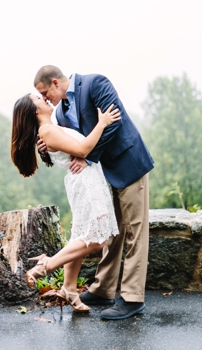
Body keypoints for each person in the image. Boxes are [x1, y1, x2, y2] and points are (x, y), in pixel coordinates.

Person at [33, 65, 155, 321]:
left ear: (55, 82)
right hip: (102, 177)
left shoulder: (95, 83)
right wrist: (45, 146)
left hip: (128, 164)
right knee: (112, 232)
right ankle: (103, 290)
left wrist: (90, 158)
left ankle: (132, 298)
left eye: (45, 93)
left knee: (135, 231)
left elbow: (113, 121)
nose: (46, 99)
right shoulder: (62, 112)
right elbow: (71, 142)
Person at [11, 94, 121, 312]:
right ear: (34, 110)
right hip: (86, 183)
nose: (45, 99)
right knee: (97, 239)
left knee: (81, 236)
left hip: (87, 180)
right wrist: (102, 123)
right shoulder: (47, 131)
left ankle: (69, 289)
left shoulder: (49, 130)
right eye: (39, 99)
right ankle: (45, 266)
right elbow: (82, 151)